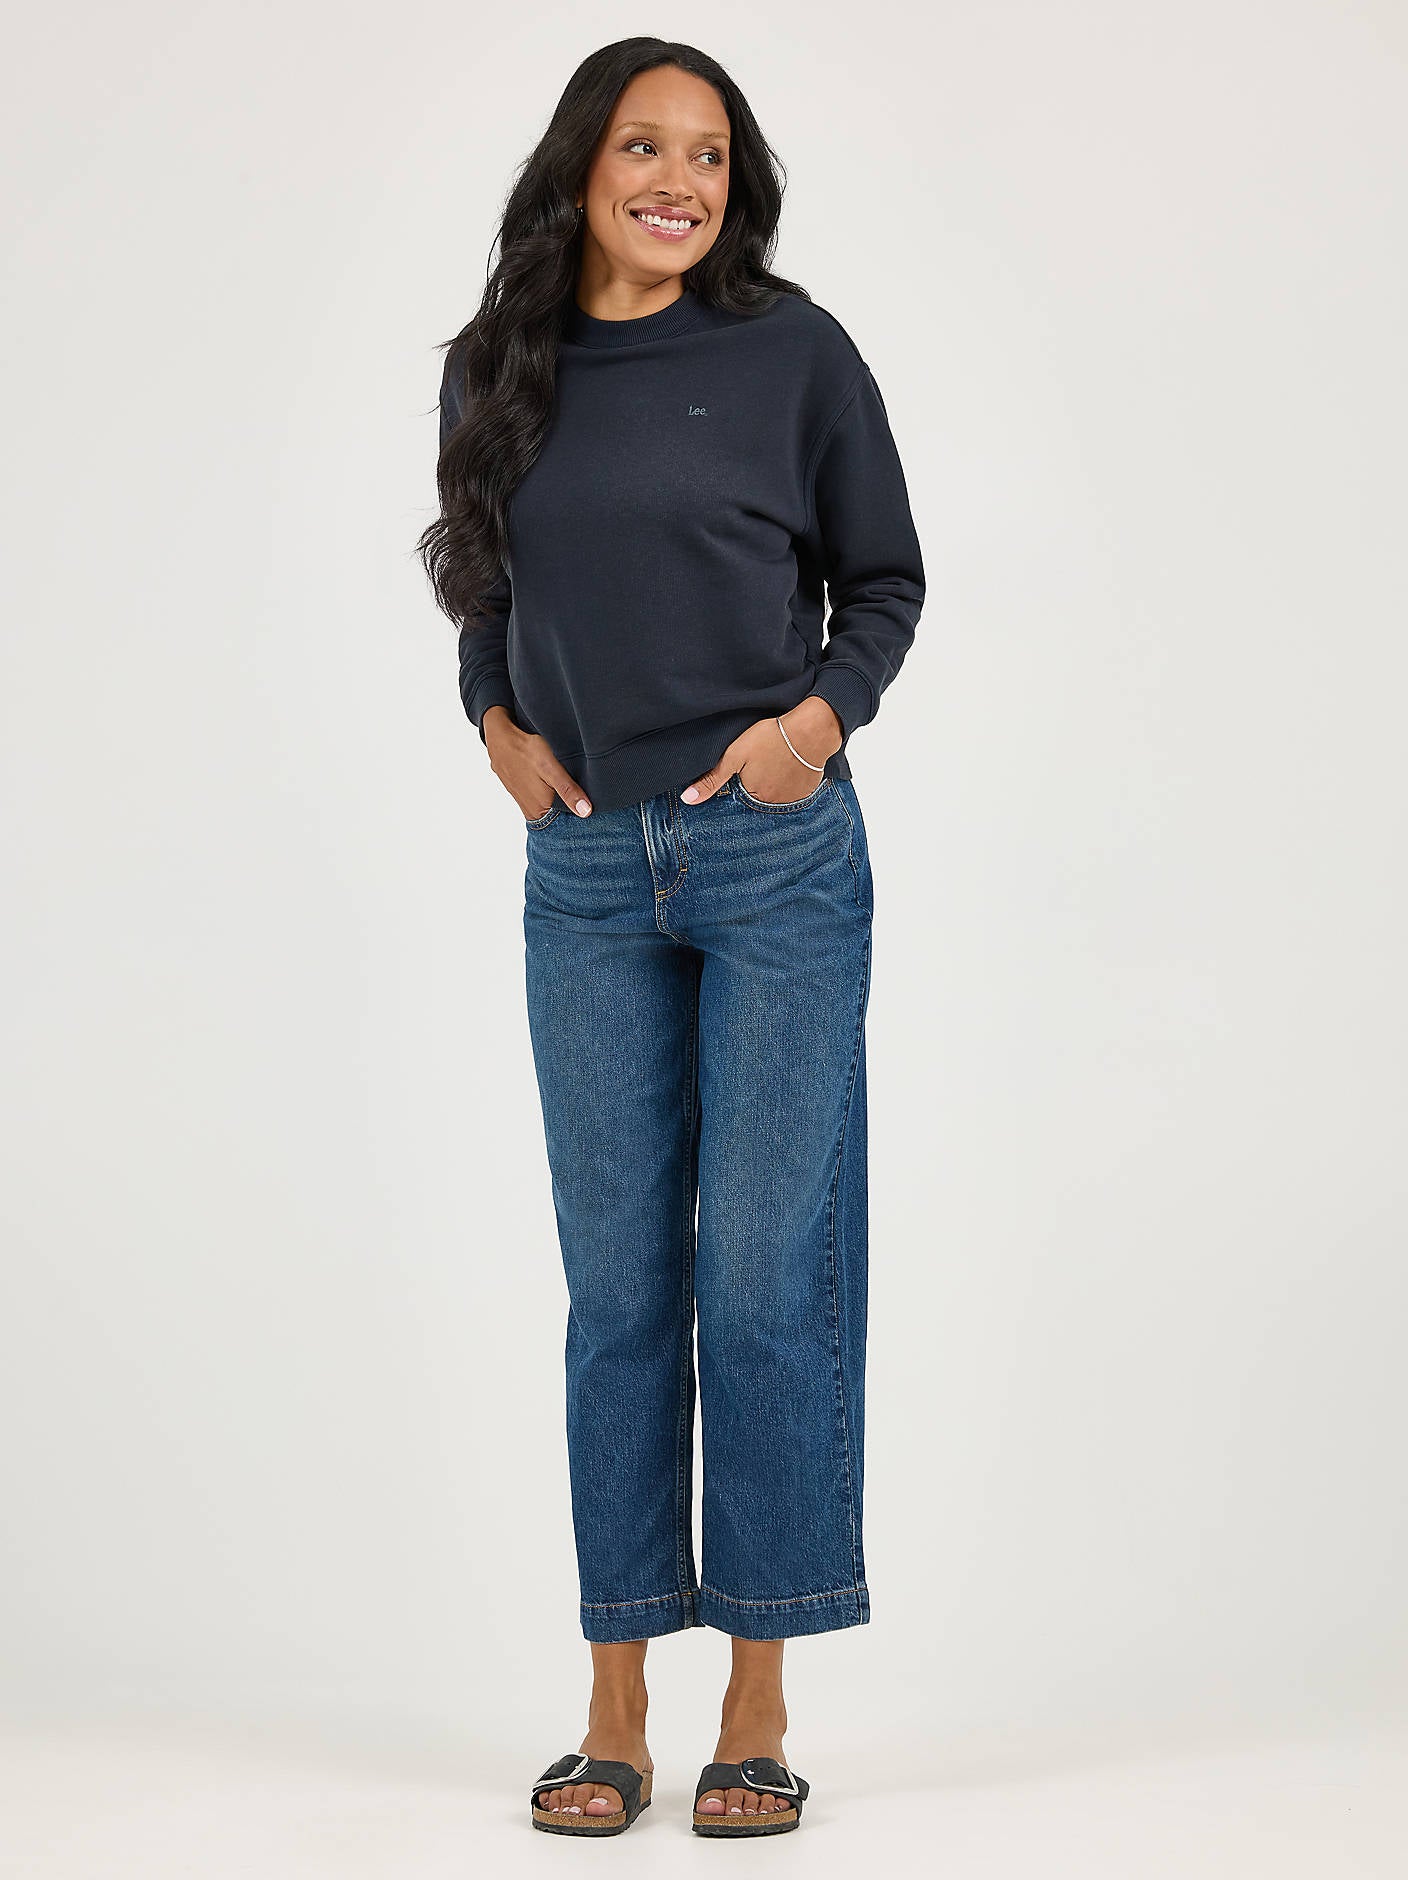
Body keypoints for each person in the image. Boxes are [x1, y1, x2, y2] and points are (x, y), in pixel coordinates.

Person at [419, 38, 925, 1840]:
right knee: (621, 1293)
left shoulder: (796, 356)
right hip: (582, 873)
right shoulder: (503, 365)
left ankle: (758, 1697)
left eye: (708, 155)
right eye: (644, 146)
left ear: (734, 187)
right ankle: (613, 1698)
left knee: (767, 1282)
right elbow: (483, 586)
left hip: (774, 862)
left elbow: (884, 583)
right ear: (582, 168)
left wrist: (813, 730)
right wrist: (497, 727)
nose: (678, 181)